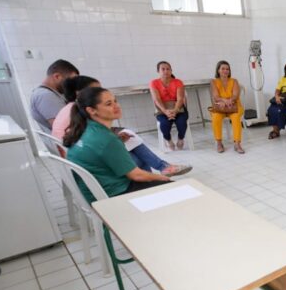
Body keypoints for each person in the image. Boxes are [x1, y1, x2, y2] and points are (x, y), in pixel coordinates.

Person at [53, 76, 190, 176]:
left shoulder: (75, 110)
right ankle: (158, 174)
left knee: (132, 142)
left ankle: (160, 170)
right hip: (88, 167)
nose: (116, 105)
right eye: (96, 90)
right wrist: (163, 182)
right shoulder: (79, 115)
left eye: (115, 101)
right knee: (140, 160)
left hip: (84, 159)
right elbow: (100, 144)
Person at [65, 87, 174, 202]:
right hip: (114, 195)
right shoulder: (106, 138)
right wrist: (163, 178)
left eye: (115, 101)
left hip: (94, 192)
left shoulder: (83, 129)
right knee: (174, 187)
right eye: (108, 104)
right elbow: (137, 175)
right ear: (91, 110)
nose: (116, 106)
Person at [30, 59, 79, 132]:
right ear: (57, 76)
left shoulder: (51, 93)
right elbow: (65, 128)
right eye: (71, 81)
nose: (73, 85)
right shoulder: (46, 96)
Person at [149, 61, 188, 151]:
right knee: (164, 124)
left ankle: (180, 139)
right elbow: (157, 99)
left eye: (168, 69)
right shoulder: (154, 83)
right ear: (158, 71)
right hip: (162, 109)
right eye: (163, 69)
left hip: (178, 108)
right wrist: (165, 111)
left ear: (171, 70)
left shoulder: (178, 82)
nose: (166, 71)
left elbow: (180, 99)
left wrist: (175, 110)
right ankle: (169, 140)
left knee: (182, 122)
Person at [210, 60, 245, 154]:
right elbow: (216, 97)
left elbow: (235, 95)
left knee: (236, 118)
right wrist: (225, 101)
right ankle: (219, 143)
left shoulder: (234, 81)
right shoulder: (213, 82)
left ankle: (237, 144)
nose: (225, 71)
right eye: (223, 69)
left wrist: (229, 101)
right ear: (218, 70)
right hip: (220, 107)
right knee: (215, 117)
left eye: (227, 69)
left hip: (234, 106)